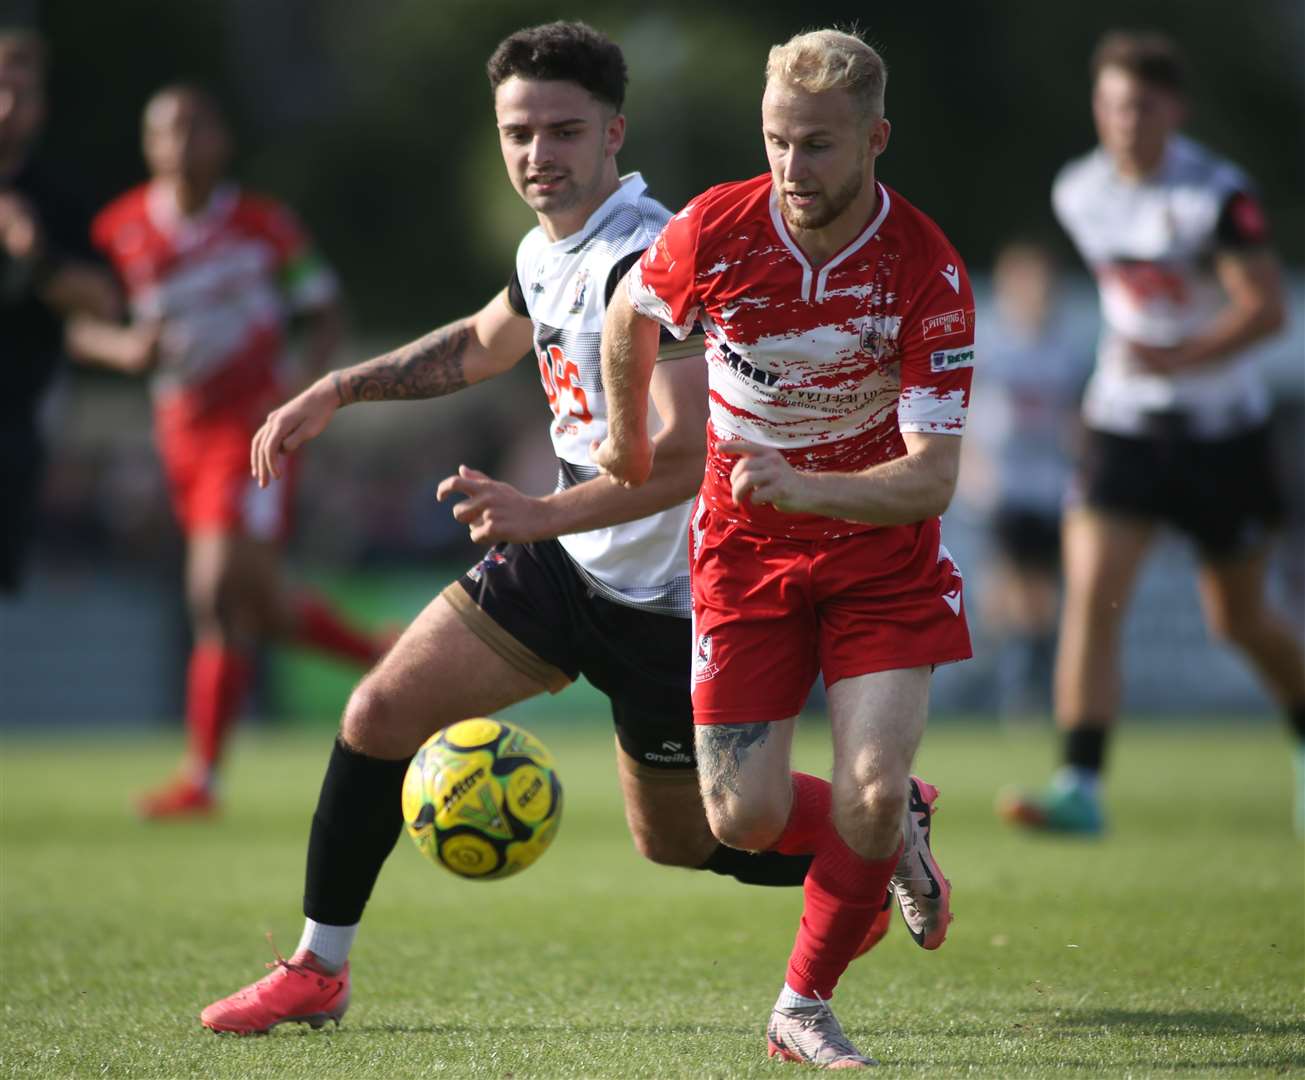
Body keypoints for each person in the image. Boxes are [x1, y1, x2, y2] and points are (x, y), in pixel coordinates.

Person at [195, 20, 893, 1038]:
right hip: (564, 565)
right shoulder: (545, 248)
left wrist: (538, 511)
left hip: (677, 601)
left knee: (684, 843)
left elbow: (690, 454)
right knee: (379, 712)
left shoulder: (651, 260)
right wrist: (335, 390)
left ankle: (880, 834)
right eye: (518, 132)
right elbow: (484, 343)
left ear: (614, 133)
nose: (537, 154)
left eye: (563, 130)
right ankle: (318, 968)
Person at [594, 28, 973, 1069]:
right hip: (743, 554)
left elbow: (934, 477)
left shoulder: (925, 269)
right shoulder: (717, 227)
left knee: (869, 783)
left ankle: (801, 1006)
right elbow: (633, 313)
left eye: (816, 146)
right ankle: (893, 833)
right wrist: (627, 439)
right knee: (742, 817)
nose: (791, 170)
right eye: (776, 142)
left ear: (874, 139)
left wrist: (807, 485)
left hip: (880, 558)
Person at [997, 31, 1305, 835]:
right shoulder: (1079, 191)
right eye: (1109, 105)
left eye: (1139, 105)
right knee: (1092, 595)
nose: (1123, 121)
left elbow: (1265, 308)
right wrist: (1146, 361)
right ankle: (1080, 785)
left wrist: (1181, 354)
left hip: (1221, 429)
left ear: (1175, 109)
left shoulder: (1214, 195)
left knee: (1236, 621)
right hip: (1123, 422)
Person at [67, 85, 390, 818]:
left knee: (213, 589)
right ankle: (386, 655)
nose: (180, 143)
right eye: (166, 131)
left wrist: (306, 394)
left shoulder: (263, 227)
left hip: (252, 430)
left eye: (195, 128)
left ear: (221, 140)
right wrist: (124, 349)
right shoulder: (120, 229)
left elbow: (326, 309)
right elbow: (81, 328)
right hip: (178, 430)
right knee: (261, 605)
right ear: (148, 145)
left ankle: (201, 779)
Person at [1, 28, 118, 596]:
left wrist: (35, 254)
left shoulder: (57, 199)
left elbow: (103, 302)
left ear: (39, 108)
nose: (5, 107)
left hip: (12, 424)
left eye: (19, 95)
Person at [964, 241, 1089, 721]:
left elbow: (1077, 418)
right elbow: (965, 406)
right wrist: (972, 464)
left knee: (1041, 590)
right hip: (1005, 483)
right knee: (1011, 585)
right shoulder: (992, 344)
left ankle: (1023, 674)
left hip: (1051, 485)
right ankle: (1013, 679)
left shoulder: (1065, 352)